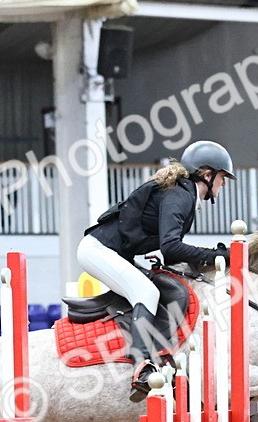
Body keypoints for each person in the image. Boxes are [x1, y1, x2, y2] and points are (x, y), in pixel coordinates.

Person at [79, 140, 235, 402]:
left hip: (110, 250)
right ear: (207, 175)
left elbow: (166, 248)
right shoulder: (181, 196)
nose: (224, 184)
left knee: (159, 287)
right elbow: (172, 248)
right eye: (222, 177)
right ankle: (141, 367)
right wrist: (216, 255)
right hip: (96, 249)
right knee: (147, 292)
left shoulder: (182, 194)